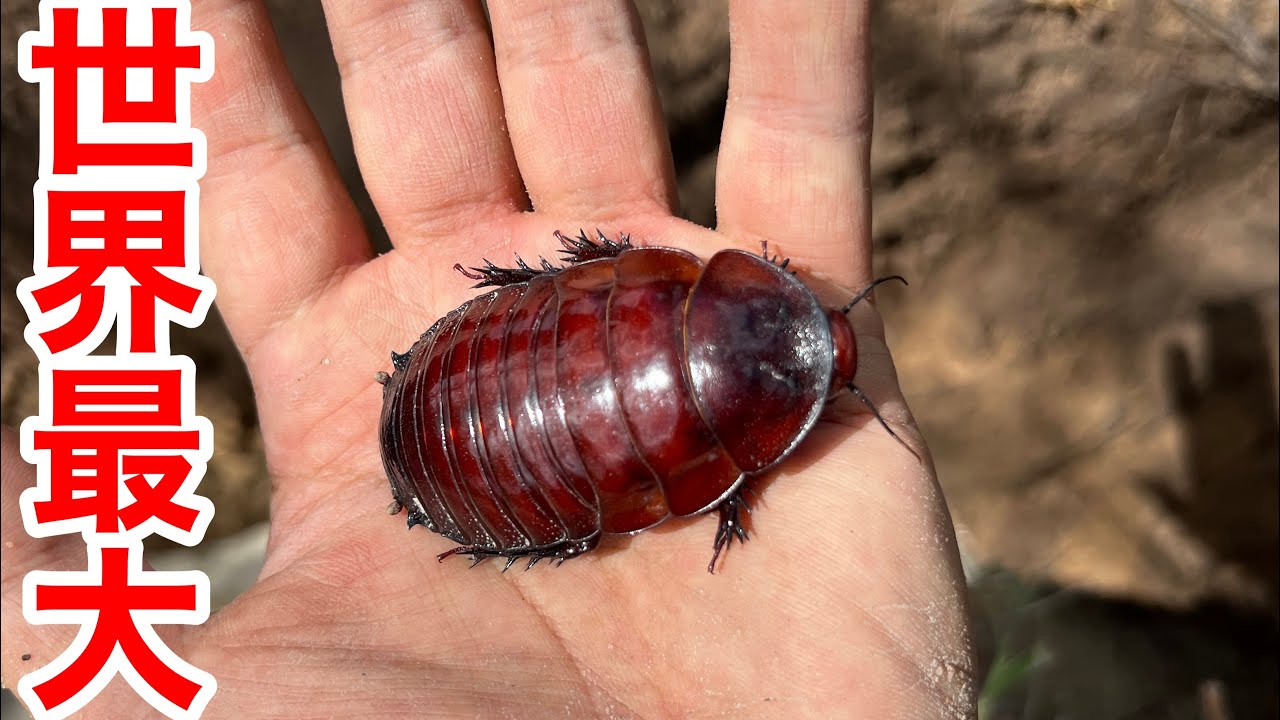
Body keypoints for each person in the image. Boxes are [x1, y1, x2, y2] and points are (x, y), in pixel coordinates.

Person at [1, 1, 977, 716]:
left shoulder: (680, 300)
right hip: (475, 421)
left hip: (488, 409)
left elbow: (590, 276)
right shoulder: (711, 408)